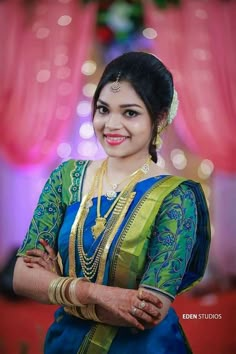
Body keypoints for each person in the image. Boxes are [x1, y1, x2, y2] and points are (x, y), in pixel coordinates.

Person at [13, 51, 211, 354]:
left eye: (130, 113)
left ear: (158, 118)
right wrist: (95, 292)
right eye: (103, 110)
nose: (111, 124)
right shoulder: (66, 178)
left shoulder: (176, 196)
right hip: (65, 342)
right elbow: (22, 277)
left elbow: (148, 312)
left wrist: (57, 282)